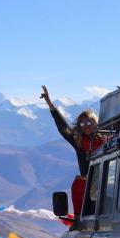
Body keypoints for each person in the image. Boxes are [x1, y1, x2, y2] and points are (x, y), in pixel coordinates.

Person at [40, 85, 105, 216]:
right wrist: (50, 104)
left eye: (89, 122)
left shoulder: (108, 141)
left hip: (107, 188)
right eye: (83, 123)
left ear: (96, 123)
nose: (86, 126)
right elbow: (63, 127)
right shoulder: (79, 143)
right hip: (88, 192)